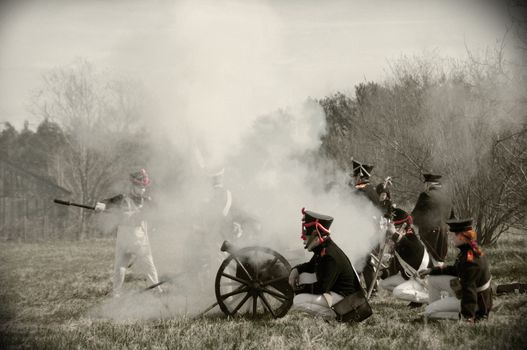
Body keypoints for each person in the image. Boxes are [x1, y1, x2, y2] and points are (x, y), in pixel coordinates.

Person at [94, 168, 161, 297]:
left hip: (139, 236)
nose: (143, 189)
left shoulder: (147, 201)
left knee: (148, 266)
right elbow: (107, 202)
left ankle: (156, 290)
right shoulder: (123, 198)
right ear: (133, 185)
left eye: (144, 187)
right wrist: (100, 205)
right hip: (126, 237)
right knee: (120, 266)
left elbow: (157, 212)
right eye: (140, 187)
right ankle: (117, 294)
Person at [288, 208, 362, 319]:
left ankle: (334, 316)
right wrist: (296, 270)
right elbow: (310, 266)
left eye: (306, 235)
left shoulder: (330, 256)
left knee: (298, 301)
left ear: (315, 235)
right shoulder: (324, 249)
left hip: (348, 303)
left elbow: (322, 288)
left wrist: (298, 289)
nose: (303, 238)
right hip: (337, 295)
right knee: (302, 277)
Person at [420, 218, 492, 322]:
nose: (450, 238)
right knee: (432, 279)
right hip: (467, 293)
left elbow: (469, 291)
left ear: (461, 237)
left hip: (476, 303)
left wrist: (468, 316)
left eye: (453, 235)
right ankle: (436, 309)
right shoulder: (468, 250)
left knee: (429, 311)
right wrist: (431, 271)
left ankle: (460, 316)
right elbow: (457, 270)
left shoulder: (470, 260)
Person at [379, 208, 431, 306]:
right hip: (412, 278)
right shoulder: (399, 242)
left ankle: (430, 298)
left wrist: (394, 234)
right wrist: (383, 272)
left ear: (404, 226)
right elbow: (395, 269)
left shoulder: (412, 239)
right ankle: (417, 300)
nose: (392, 230)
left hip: (423, 281)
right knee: (384, 284)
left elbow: (406, 243)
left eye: (396, 227)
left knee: (397, 292)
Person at [411, 173, 454, 264]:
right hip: (443, 233)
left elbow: (414, 214)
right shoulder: (447, 197)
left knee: (427, 261)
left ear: (428, 184)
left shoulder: (425, 195)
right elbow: (451, 217)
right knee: (439, 261)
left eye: (425, 184)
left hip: (428, 233)